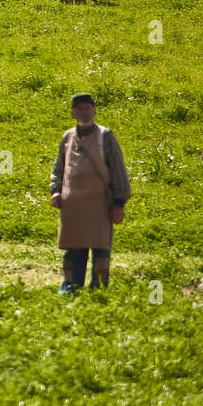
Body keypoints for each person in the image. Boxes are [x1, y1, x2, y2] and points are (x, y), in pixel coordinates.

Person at [50, 93, 130, 293]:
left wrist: (119, 203)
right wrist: (55, 191)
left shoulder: (106, 137)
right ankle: (70, 286)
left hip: (99, 204)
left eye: (87, 108)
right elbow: (59, 168)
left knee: (101, 249)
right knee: (72, 249)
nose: (84, 112)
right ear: (73, 113)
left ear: (94, 110)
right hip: (73, 206)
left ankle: (99, 288)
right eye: (79, 109)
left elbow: (118, 171)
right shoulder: (67, 137)